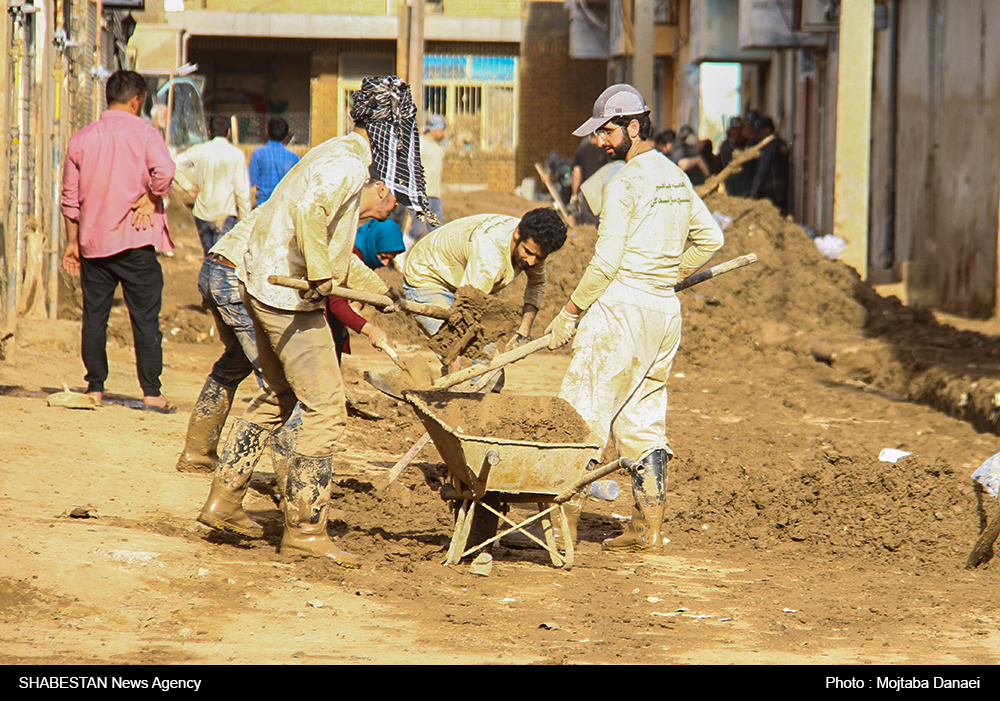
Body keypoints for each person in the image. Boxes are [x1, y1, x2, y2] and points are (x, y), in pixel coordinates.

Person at [197, 75, 433, 568]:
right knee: (326, 407)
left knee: (276, 398)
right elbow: (309, 215)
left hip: (261, 283)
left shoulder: (336, 154)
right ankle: (305, 528)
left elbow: (332, 241)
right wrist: (322, 276)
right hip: (286, 295)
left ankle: (223, 501)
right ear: (393, 130)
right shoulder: (348, 163)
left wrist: (381, 294)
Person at [545, 84, 724, 552]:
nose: (600, 143)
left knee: (583, 412)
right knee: (644, 418)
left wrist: (569, 311)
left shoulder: (623, 182)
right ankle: (648, 529)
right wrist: (667, 275)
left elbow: (605, 264)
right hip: (663, 312)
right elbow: (711, 240)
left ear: (632, 126)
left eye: (606, 132)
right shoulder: (675, 177)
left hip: (620, 308)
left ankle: (560, 528)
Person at [60, 69, 177, 413]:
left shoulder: (80, 139)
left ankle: (95, 388)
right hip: (136, 240)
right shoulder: (145, 134)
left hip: (93, 242)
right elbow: (166, 172)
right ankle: (151, 392)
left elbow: (70, 197)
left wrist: (72, 243)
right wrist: (153, 197)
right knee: (145, 317)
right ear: (137, 99)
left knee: (94, 315)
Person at [402, 209, 567, 365]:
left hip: (463, 280)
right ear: (517, 234)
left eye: (540, 257)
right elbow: (465, 310)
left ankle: (481, 392)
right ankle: (447, 392)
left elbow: (537, 284)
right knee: (456, 349)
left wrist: (522, 333)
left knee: (492, 369)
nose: (532, 262)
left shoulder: (534, 240)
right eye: (529, 253)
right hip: (428, 276)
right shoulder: (489, 257)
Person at [173, 115, 252, 255]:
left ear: (209, 132)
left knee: (208, 258)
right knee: (222, 261)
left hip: (202, 214)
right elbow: (242, 192)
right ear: (229, 133)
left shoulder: (199, 150)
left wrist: (188, 186)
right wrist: (245, 221)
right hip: (225, 215)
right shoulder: (236, 154)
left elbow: (173, 164)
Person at [404, 113, 447, 248]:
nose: (444, 134)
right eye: (442, 130)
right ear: (433, 130)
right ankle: (399, 253)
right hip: (420, 193)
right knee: (417, 229)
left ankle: (431, 262)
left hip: (435, 195)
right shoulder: (420, 144)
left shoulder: (438, 149)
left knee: (436, 232)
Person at [248, 116, 300, 208]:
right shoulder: (293, 158)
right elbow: (297, 187)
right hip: (283, 207)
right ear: (286, 134)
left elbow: (251, 181)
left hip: (262, 206)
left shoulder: (258, 153)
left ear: (267, 131)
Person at [748, 116, 790, 214]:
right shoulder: (780, 143)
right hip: (781, 191)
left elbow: (763, 170)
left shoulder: (769, 145)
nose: (758, 135)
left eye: (760, 131)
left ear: (767, 130)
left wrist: (754, 193)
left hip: (770, 192)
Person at [570, 133, 610, 226]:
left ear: (589, 136)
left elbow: (577, 175)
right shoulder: (606, 151)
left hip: (586, 193)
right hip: (602, 193)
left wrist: (574, 195)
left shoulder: (581, 151)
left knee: (587, 225)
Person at [719, 116, 750, 197]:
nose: (736, 132)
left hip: (747, 187)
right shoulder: (725, 146)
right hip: (731, 187)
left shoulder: (749, 145)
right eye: (733, 129)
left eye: (737, 129)